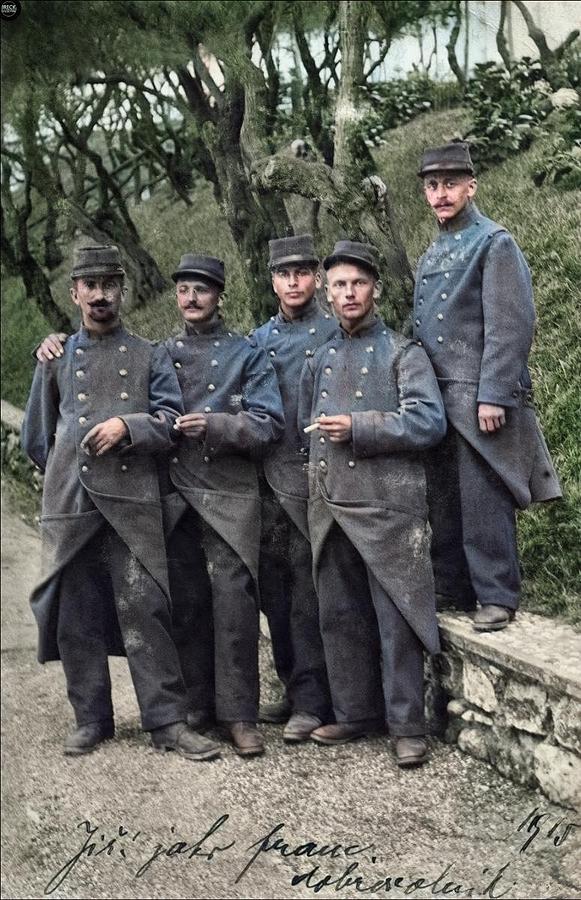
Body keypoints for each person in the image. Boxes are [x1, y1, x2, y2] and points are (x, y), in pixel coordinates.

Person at [21, 244, 220, 761]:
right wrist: (68, 473)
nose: (101, 295)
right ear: (75, 293)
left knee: (146, 608)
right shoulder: (57, 357)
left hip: (132, 501)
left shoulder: (149, 354)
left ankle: (167, 721)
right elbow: (38, 437)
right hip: (73, 504)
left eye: (110, 284)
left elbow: (172, 421)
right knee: (74, 615)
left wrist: (127, 428)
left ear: (123, 291)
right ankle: (91, 719)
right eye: (91, 286)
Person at [298, 240, 447, 767]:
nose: (348, 293)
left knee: (394, 617)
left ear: (375, 290)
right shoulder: (321, 358)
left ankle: (408, 726)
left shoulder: (403, 353)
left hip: (388, 508)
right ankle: (356, 713)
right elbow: (305, 429)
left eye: (357, 283)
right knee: (339, 614)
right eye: (338, 285)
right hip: (332, 504)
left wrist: (361, 426)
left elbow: (429, 422)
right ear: (327, 293)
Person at [414, 142, 561, 631]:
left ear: (471, 186)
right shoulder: (435, 249)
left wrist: (494, 395)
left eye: (451, 184)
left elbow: (511, 324)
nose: (441, 194)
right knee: (445, 498)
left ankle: (497, 594)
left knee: (483, 498)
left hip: (479, 398)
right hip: (438, 399)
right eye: (432, 186)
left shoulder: (493, 242)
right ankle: (454, 586)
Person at [163, 253, 285, 757]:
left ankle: (240, 716)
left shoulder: (247, 353)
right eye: (184, 290)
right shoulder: (160, 353)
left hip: (232, 496)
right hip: (177, 494)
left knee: (235, 605)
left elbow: (269, 423)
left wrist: (216, 424)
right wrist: (53, 344)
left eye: (203, 290)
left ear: (219, 296)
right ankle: (197, 708)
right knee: (187, 602)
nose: (192, 299)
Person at [249, 235, 338, 743]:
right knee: (276, 596)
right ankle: (293, 686)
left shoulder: (335, 332)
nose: (294, 282)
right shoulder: (259, 341)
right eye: (284, 274)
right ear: (273, 281)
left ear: (318, 277)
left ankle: (314, 700)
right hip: (271, 482)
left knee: (311, 593)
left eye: (303, 272)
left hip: (321, 480)